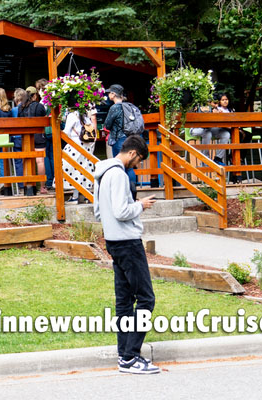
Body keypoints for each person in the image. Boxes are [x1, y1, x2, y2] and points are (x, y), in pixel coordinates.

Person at [92, 135, 159, 374]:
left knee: (123, 301)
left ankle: (125, 355)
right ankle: (131, 356)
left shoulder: (101, 172)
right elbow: (121, 211)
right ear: (132, 153)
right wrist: (141, 206)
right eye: (138, 159)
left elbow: (100, 212)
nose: (137, 165)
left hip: (112, 240)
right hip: (128, 242)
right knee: (146, 299)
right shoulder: (119, 174)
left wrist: (130, 205)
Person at [103, 84, 138, 196]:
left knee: (120, 165)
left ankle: (123, 192)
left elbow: (107, 125)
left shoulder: (115, 108)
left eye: (110, 93)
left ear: (113, 94)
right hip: (129, 138)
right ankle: (132, 191)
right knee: (129, 166)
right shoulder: (129, 106)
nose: (108, 95)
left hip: (118, 139)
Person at [63, 107, 98, 204]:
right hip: (86, 145)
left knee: (73, 170)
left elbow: (66, 132)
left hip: (75, 144)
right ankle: (88, 195)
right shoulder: (85, 115)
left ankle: (75, 196)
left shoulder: (71, 115)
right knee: (85, 169)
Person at [20, 85, 48, 193]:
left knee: (27, 160)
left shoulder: (21, 107)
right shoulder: (39, 106)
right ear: (35, 95)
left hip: (26, 137)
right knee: (40, 161)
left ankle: (29, 186)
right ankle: (42, 187)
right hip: (38, 136)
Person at [11, 88, 27, 193]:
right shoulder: (28, 108)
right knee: (28, 161)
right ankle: (30, 183)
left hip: (16, 138)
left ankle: (21, 185)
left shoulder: (13, 111)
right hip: (27, 137)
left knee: (18, 162)